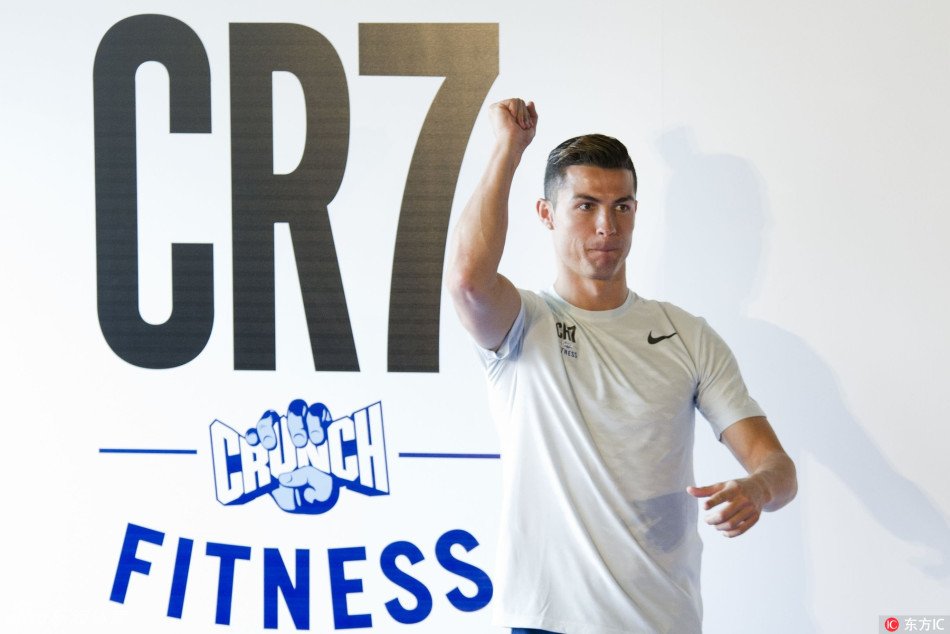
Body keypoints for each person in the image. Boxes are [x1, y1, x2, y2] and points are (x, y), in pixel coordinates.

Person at [445, 98, 797, 634]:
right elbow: (468, 281)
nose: (606, 225)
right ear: (547, 214)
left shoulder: (687, 334)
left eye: (622, 206)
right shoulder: (522, 324)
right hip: (548, 623)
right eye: (585, 205)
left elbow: (778, 468)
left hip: (663, 622)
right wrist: (508, 149)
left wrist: (758, 489)